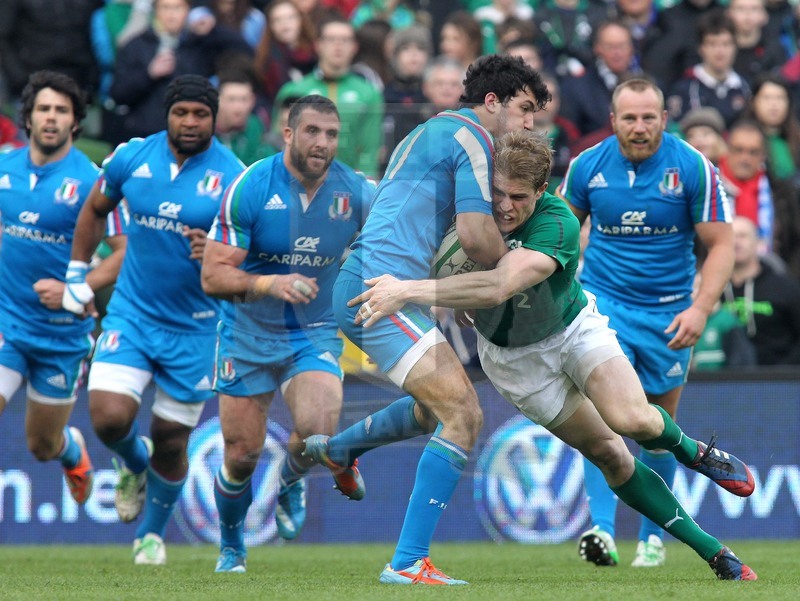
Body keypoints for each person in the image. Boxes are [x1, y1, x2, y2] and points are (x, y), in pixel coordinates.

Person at [345, 128, 757, 582]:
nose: (504, 206)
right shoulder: (462, 213)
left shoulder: (556, 221)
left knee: (633, 421)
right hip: (515, 362)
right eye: (497, 193)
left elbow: (499, 284)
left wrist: (409, 291)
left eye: (518, 197)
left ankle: (692, 451)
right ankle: (717, 554)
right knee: (611, 455)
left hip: (573, 331)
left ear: (542, 191)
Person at [302, 54, 551, 585]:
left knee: (428, 410)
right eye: (525, 109)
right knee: (463, 414)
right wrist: (516, 266)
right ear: (492, 103)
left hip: (384, 284)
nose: (531, 122)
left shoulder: (430, 130)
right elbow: (477, 235)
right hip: (380, 290)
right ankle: (407, 562)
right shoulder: (474, 140)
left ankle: (342, 450)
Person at [62, 74, 244, 565]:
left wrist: (221, 252)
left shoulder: (234, 176)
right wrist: (78, 274)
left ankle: (151, 535)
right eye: (181, 113)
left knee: (171, 440)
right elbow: (95, 209)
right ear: (167, 115)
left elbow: (255, 252)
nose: (189, 122)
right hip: (133, 314)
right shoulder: (131, 157)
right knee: (107, 418)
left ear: (214, 119)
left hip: (199, 327)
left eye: (200, 114)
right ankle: (132, 464)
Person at [558, 78, 740, 568]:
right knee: (603, 420)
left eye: (648, 118)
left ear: (664, 118)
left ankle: (652, 538)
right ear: (613, 120)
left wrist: (700, 308)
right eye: (630, 118)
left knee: (658, 426)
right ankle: (600, 530)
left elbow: (722, 245)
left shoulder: (692, 167)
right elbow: (558, 233)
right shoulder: (586, 167)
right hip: (603, 305)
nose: (639, 127)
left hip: (669, 312)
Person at [200, 95, 374, 573]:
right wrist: (267, 282)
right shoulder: (251, 186)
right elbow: (213, 277)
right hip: (246, 333)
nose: (323, 143)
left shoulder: (356, 193)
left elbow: (397, 239)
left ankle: (292, 480)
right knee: (241, 455)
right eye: (313, 131)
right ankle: (232, 546)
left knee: (319, 430)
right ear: (289, 133)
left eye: (332, 134)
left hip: (312, 332)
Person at [0, 70, 123, 508]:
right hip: (7, 322)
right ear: (28, 118)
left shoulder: (93, 181)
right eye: (43, 109)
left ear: (75, 122)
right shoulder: (4, 166)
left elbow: (126, 252)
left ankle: (70, 450)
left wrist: (77, 287)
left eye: (61, 110)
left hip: (61, 335)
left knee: (41, 445)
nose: (51, 118)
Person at [274, 16, 384, 177]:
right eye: (331, 39)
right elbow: (277, 142)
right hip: (298, 182)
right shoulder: (293, 91)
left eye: (345, 40)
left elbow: (370, 149)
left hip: (348, 186)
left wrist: (365, 185)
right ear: (318, 45)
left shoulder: (369, 94)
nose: (338, 45)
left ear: (355, 47)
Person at [722, 216, 800, 365]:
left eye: (743, 236)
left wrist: (784, 373)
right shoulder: (710, 289)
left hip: (778, 380)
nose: (736, 242)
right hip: (717, 381)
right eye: (730, 237)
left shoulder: (785, 287)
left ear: (758, 243)